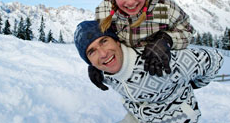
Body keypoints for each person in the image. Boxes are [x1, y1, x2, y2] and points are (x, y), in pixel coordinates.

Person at [74, 20, 224, 123]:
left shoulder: (158, 61)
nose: (103, 54)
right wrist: (95, 67)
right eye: (91, 52)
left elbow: (215, 59)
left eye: (104, 41)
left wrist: (196, 83)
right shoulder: (102, 72)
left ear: (117, 41)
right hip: (138, 117)